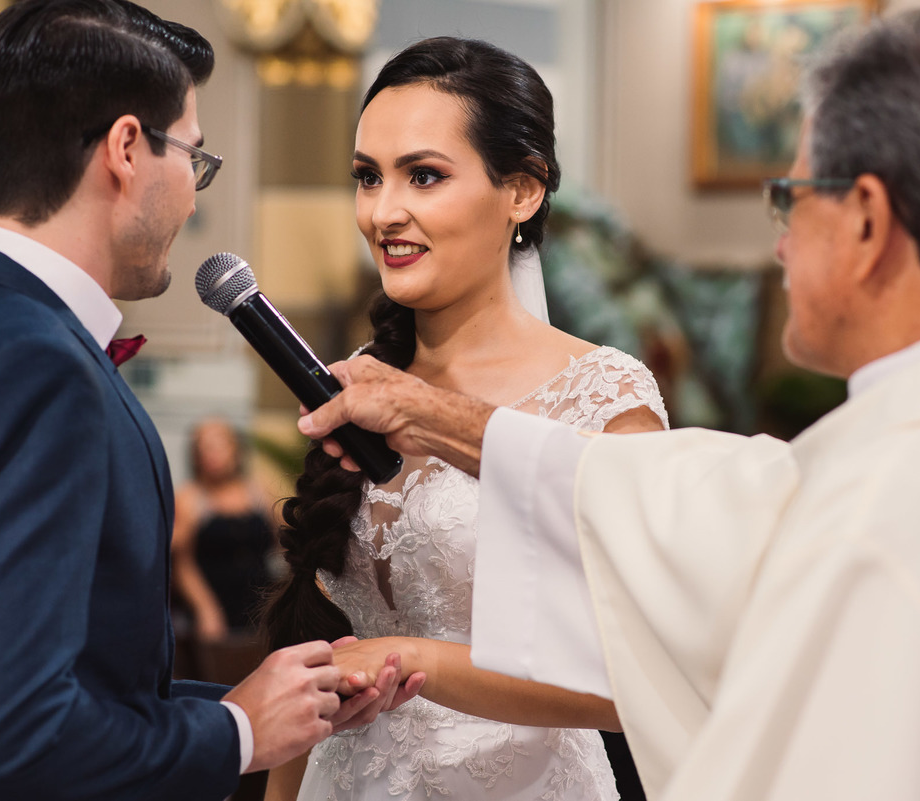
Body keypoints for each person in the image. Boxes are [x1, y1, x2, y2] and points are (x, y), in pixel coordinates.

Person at [297, 8, 920, 801]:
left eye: (791, 196)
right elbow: (679, 498)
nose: (777, 242)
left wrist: (425, 658)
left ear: (869, 220)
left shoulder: (902, 486)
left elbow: (652, 606)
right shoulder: (909, 450)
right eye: (368, 176)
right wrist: (435, 416)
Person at [0, 2, 417, 798]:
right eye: (195, 161)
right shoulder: (35, 372)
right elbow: (14, 738)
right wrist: (238, 733)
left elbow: (9, 688)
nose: (194, 200)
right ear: (128, 148)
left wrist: (274, 703)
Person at [260, 37, 668, 801]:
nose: (384, 211)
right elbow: (317, 648)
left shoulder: (603, 396)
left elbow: (639, 680)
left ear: (522, 190)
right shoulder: (359, 380)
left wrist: (420, 658)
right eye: (367, 177)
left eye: (424, 175)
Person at [172, 417, 277, 675]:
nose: (212, 454)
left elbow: (287, 543)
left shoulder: (259, 491)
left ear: (236, 449)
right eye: (204, 447)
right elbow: (181, 563)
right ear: (195, 456)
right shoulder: (190, 498)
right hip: (213, 605)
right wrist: (205, 608)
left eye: (220, 444)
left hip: (260, 602)